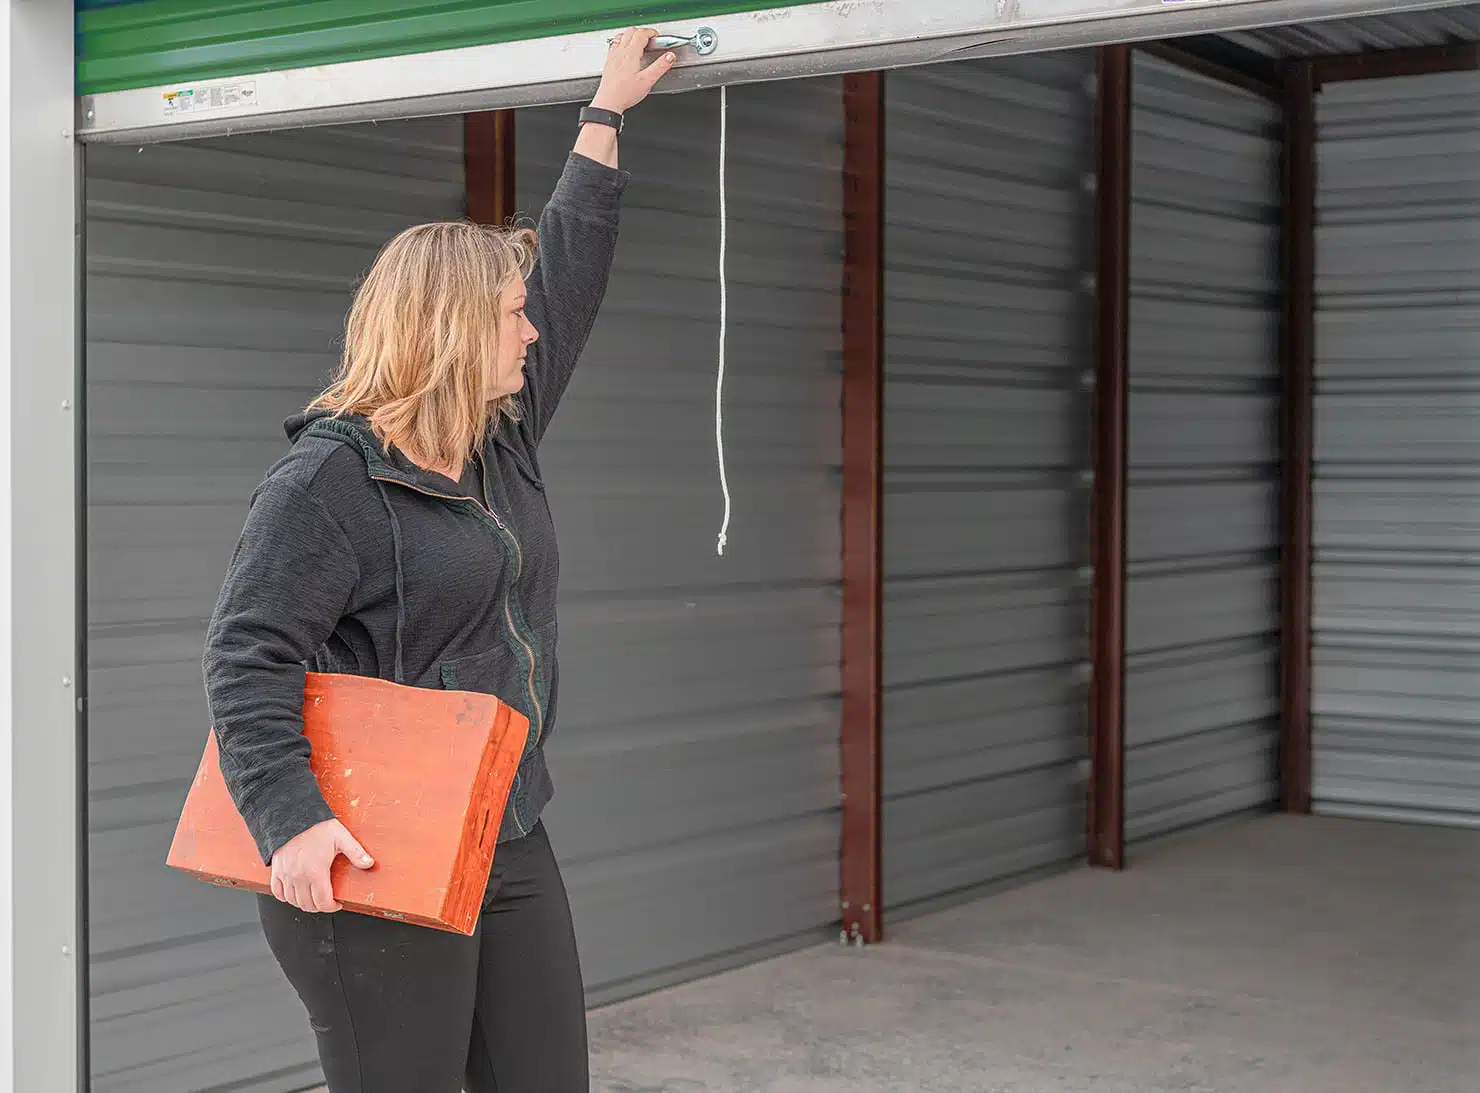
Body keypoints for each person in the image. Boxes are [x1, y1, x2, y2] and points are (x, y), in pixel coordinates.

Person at [199, 28, 675, 1093]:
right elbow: (246, 660)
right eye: (511, 316)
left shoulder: (493, 436)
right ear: (456, 333)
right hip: (366, 847)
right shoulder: (329, 485)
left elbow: (571, 278)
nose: (532, 333)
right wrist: (292, 821)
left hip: (501, 822)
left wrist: (605, 117)